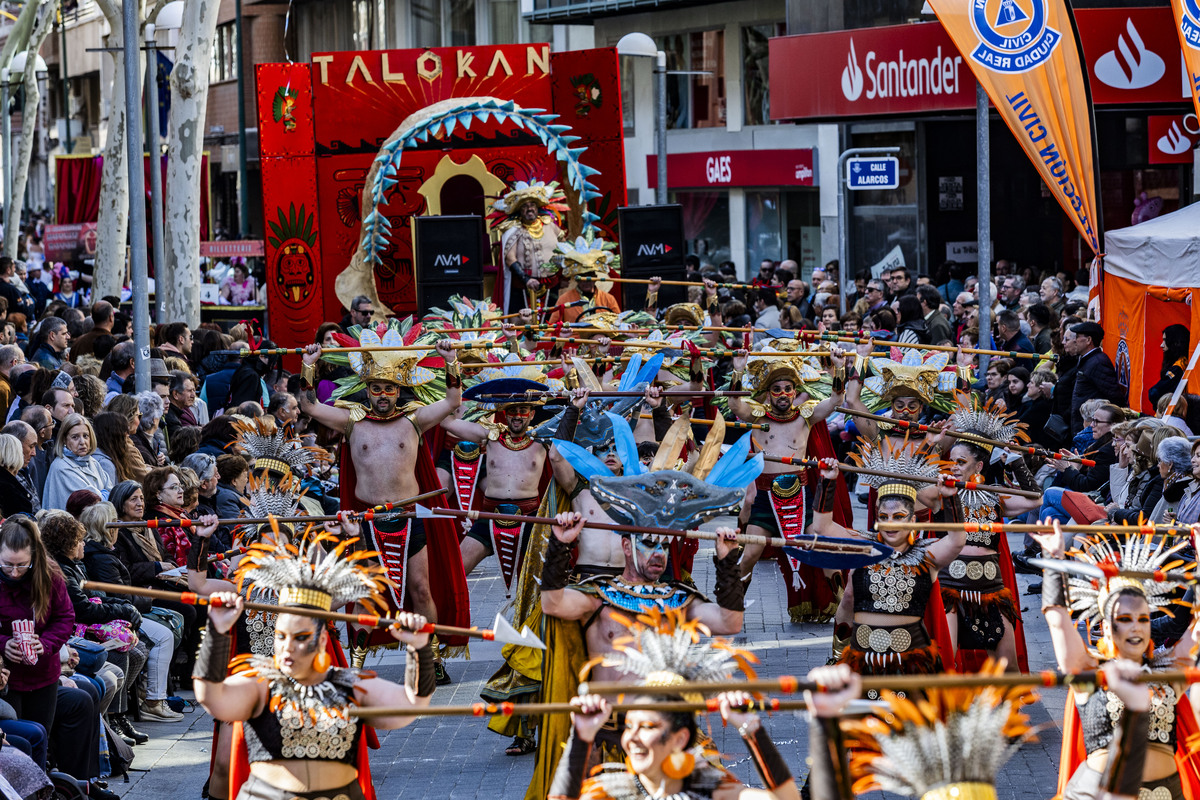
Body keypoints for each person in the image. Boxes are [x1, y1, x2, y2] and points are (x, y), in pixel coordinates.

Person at [193, 532, 437, 800]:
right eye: (281, 636)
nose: (287, 647)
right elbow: (210, 695)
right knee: (224, 764)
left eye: (300, 637)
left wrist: (419, 650)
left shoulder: (348, 686)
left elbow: (411, 705)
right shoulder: (259, 687)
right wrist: (217, 632)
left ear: (322, 638)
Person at [298, 329, 469, 676]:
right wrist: (308, 365)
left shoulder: (415, 420)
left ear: (399, 390)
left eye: (389, 389)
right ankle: (357, 665)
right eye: (376, 388)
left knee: (421, 589)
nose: (383, 395)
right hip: (366, 522)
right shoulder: (351, 422)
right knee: (364, 594)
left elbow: (452, 402)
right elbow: (309, 406)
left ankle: (430, 659)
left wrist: (451, 361)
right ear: (367, 390)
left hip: (409, 517)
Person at [550, 611, 798, 800]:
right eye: (629, 726)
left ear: (680, 739)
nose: (630, 739)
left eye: (646, 726)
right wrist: (581, 736)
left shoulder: (712, 789)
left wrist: (751, 729)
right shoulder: (611, 791)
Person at [1033, 524, 1200, 800]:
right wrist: (1054, 560)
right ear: (1107, 628)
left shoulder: (1168, 673)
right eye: (1125, 620)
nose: (1136, 628)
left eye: (1143, 619)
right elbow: (1057, 619)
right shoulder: (1089, 671)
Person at [810, 443, 964, 680]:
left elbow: (956, 540)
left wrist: (951, 500)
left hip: (910, 663)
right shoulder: (863, 546)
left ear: (913, 520)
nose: (890, 523)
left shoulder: (927, 554)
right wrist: (828, 482)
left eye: (898, 517)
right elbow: (821, 527)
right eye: (884, 517)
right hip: (862, 660)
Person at [727, 344, 849, 622]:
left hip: (801, 495)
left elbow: (836, 401)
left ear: (796, 392)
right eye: (777, 389)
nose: (783, 394)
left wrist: (838, 366)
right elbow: (735, 404)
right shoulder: (757, 417)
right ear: (768, 394)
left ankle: (844, 603)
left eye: (788, 389)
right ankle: (731, 604)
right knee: (752, 551)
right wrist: (737, 369)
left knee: (822, 548)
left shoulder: (807, 417)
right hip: (765, 497)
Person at [79, 501, 177, 736]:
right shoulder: (101, 557)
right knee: (155, 639)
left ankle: (123, 713)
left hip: (120, 611)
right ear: (108, 528)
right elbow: (117, 595)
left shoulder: (105, 553)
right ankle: (147, 703)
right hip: (112, 616)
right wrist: (146, 601)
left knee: (150, 640)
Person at [0, 516, 75, 739]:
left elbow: (64, 617)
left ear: (34, 556)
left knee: (40, 735)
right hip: (6, 676)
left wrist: (45, 644)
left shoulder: (50, 574)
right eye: (7, 564)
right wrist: (4, 643)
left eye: (22, 565)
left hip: (44, 672)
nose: (14, 572)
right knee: (16, 739)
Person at [491, 181, 566, 314]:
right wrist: (526, 279)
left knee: (552, 319)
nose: (529, 208)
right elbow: (509, 258)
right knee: (523, 322)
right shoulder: (513, 230)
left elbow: (565, 247)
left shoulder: (550, 225)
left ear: (537, 208)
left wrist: (564, 275)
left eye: (532, 205)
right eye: (525, 206)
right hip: (523, 286)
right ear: (520, 210)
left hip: (551, 284)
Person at [41, 413, 113, 510]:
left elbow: (113, 495)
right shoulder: (61, 468)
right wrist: (103, 494)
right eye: (75, 437)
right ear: (64, 440)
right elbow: (91, 504)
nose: (82, 442)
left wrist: (102, 495)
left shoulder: (93, 462)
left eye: (85, 436)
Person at [547, 237, 621, 324]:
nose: (586, 281)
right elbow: (552, 328)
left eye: (589, 277)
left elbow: (618, 324)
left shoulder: (608, 299)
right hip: (574, 337)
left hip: (602, 337)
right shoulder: (564, 299)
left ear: (595, 277)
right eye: (582, 277)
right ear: (576, 278)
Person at [1148, 324, 1191, 407]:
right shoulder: (1186, 361)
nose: (1161, 345)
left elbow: (1154, 392)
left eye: (1165, 340)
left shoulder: (1178, 368)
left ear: (1175, 343)